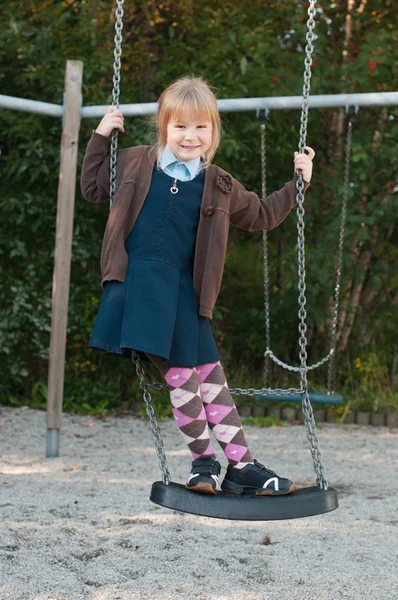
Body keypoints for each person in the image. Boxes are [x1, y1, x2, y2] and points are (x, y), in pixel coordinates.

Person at [80, 76, 315, 497]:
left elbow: (262, 214)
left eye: (201, 127)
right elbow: (93, 187)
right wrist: (100, 136)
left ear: (213, 132)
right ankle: (205, 462)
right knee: (183, 378)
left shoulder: (219, 184)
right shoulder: (134, 161)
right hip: (138, 286)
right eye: (180, 127)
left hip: (184, 294)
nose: (190, 136)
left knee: (210, 376)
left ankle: (238, 466)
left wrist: (298, 184)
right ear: (164, 128)